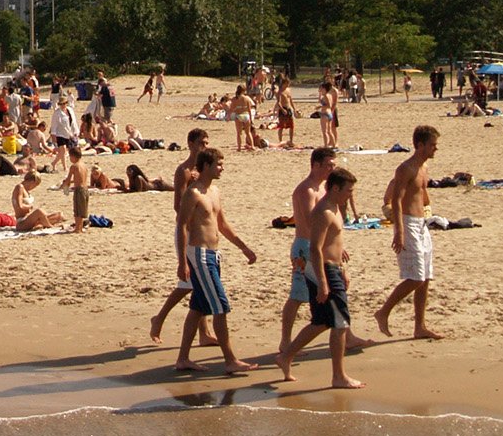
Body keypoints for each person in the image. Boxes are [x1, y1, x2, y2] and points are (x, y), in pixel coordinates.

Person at [277, 167, 367, 389]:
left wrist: (342, 270)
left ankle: (286, 356)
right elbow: (315, 249)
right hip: (323, 270)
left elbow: (335, 244)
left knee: (321, 322)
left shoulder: (335, 208)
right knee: (340, 323)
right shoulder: (324, 212)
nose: (350, 194)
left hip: (333, 269)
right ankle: (339, 376)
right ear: (335, 188)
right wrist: (323, 283)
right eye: (348, 190)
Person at [173, 148, 258, 374]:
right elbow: (181, 226)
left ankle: (182, 359)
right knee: (220, 306)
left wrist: (244, 247)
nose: (222, 168)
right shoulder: (193, 194)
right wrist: (182, 262)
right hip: (199, 254)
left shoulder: (215, 191)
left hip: (213, 254)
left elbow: (222, 224)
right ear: (207, 166)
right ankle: (230, 360)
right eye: (219, 164)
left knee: (198, 307)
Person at [150, 128, 219, 346]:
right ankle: (159, 318)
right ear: (190, 144)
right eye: (201, 143)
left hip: (201, 231)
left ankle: (204, 333)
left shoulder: (205, 170)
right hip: (188, 231)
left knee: (196, 284)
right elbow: (178, 206)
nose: (204, 147)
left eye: (207, 143)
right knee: (188, 282)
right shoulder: (184, 170)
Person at [375, 125, 443, 339]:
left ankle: (419, 326)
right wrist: (399, 231)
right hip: (407, 222)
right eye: (432, 145)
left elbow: (423, 195)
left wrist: (430, 214)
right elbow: (395, 199)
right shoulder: (406, 168)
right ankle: (383, 312)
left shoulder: (423, 168)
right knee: (416, 278)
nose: (435, 149)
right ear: (420, 145)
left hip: (421, 223)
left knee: (426, 277)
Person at [318, 78, 340, 148]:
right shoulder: (328, 94)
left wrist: (331, 110)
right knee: (329, 130)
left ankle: (327, 145)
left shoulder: (329, 94)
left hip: (327, 113)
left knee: (326, 131)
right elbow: (324, 103)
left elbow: (331, 104)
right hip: (329, 112)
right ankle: (332, 144)